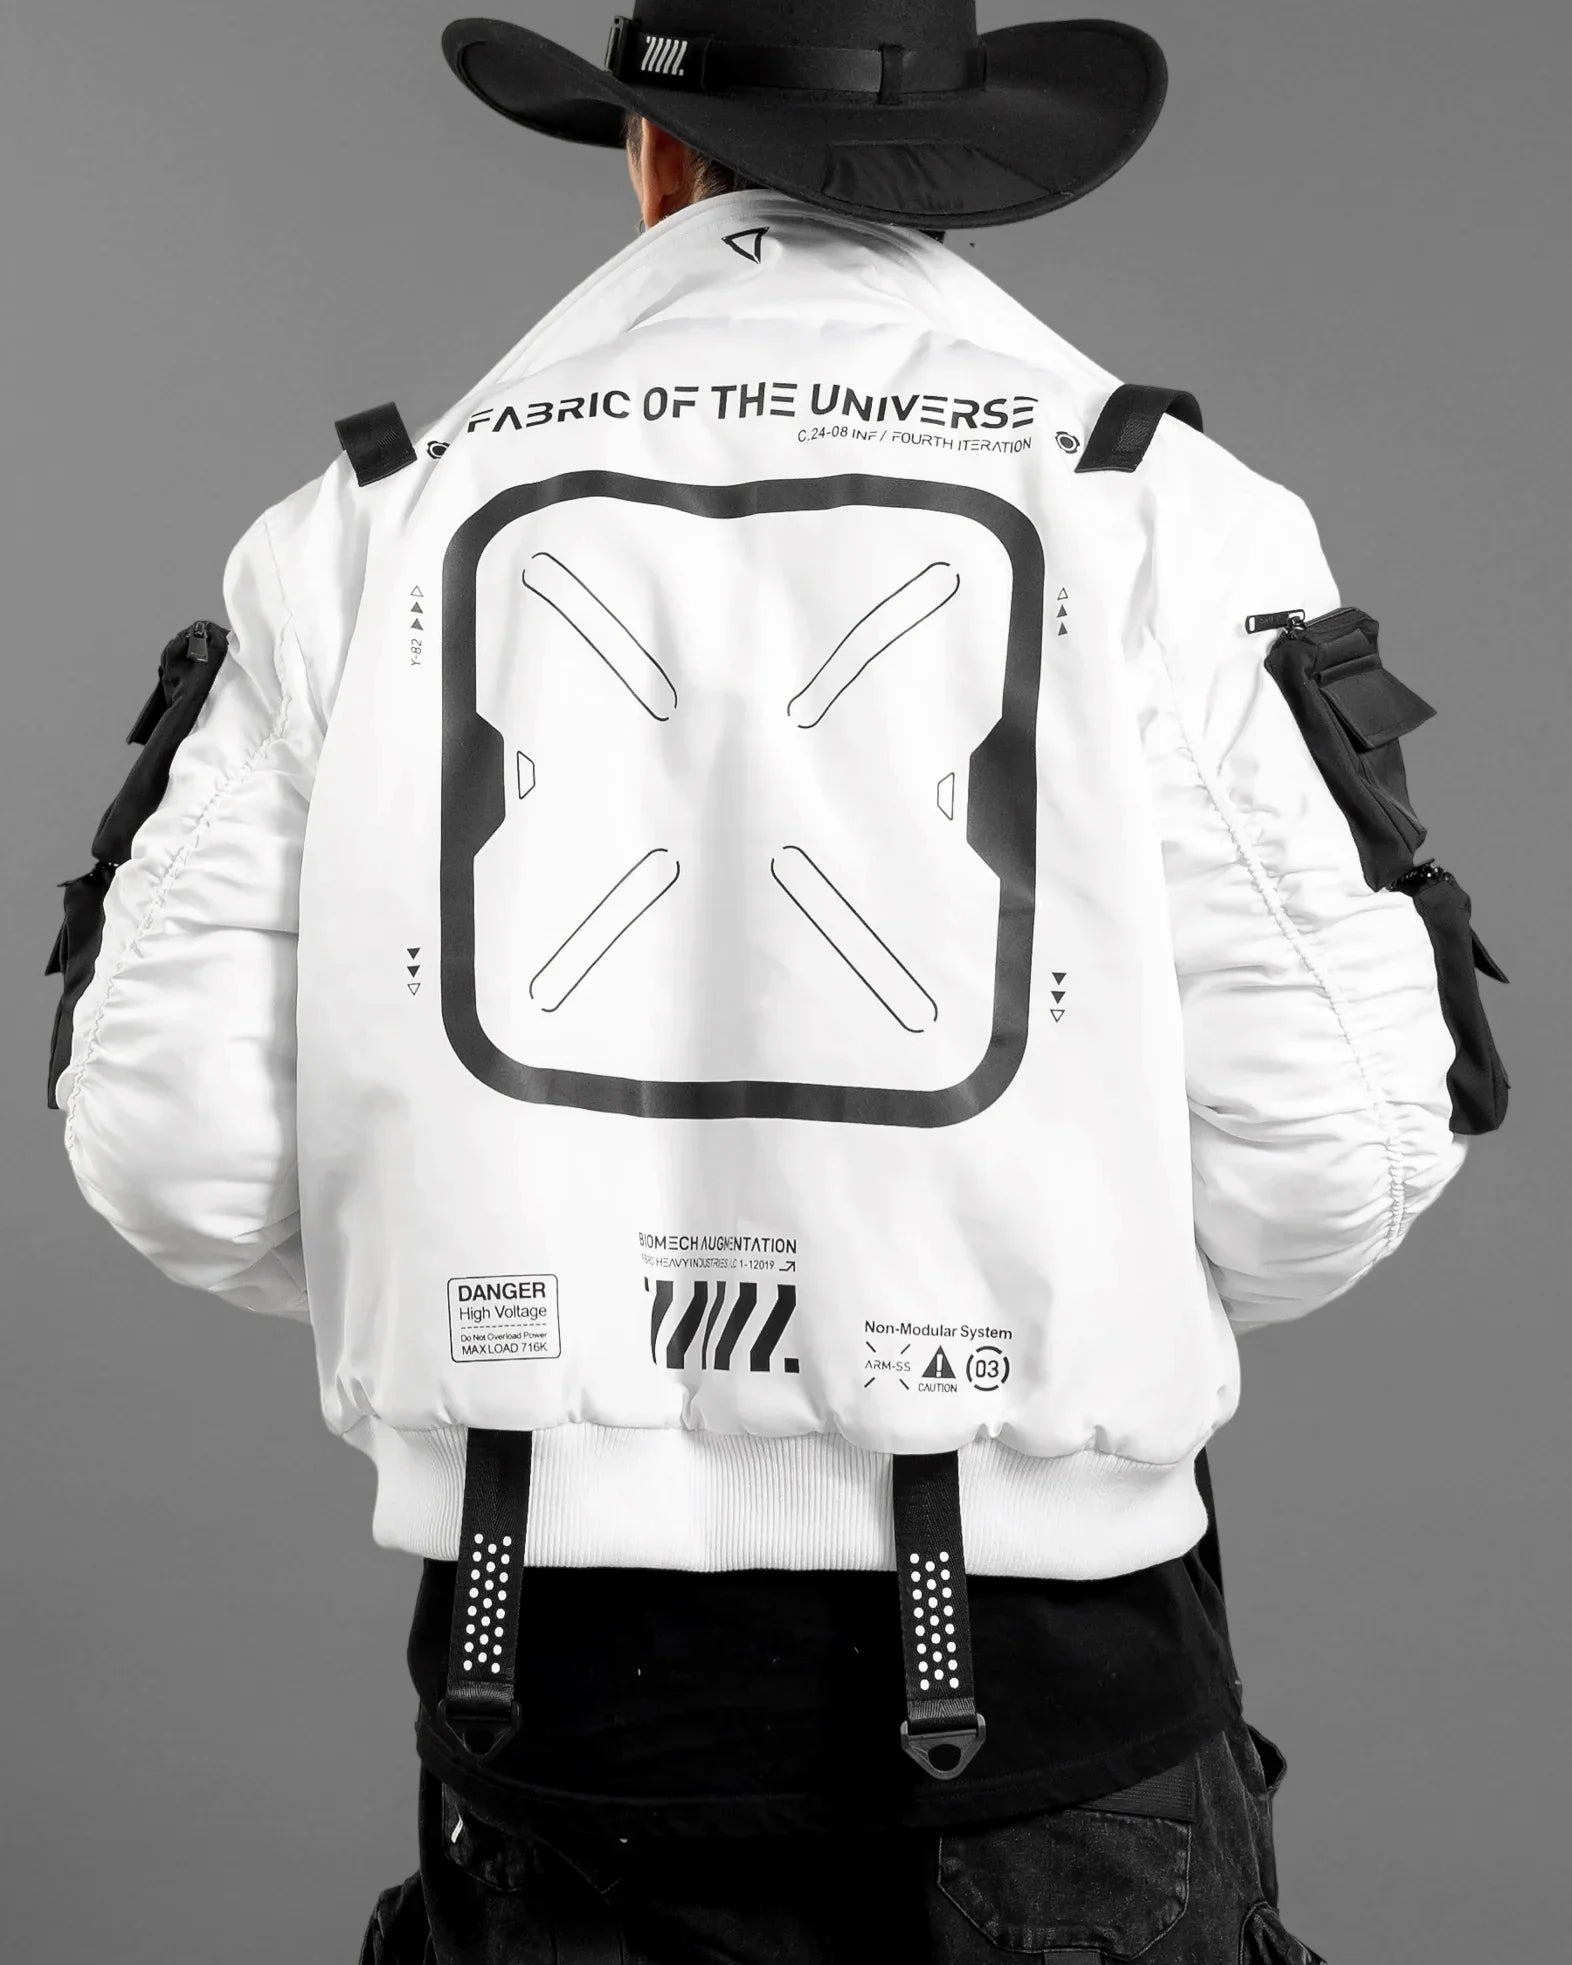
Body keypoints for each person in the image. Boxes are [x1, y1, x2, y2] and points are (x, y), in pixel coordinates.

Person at [46, 5, 1510, 1961]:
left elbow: (173, 1149)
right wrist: (1033, 1267)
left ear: (655, 155)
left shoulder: (368, 525)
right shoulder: (1164, 513)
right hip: (1046, 1682)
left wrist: (501, 1254)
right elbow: (1335, 1151)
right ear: (954, 175)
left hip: (546, 1676)